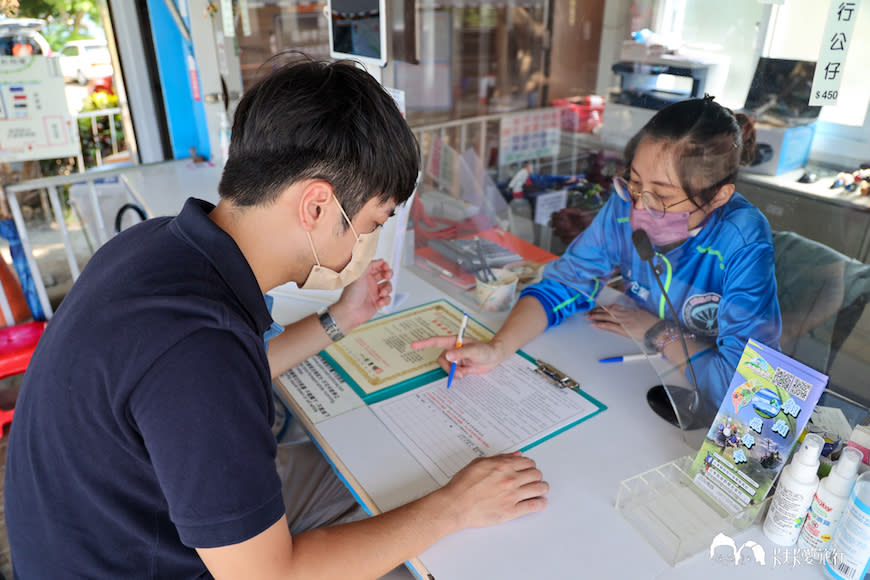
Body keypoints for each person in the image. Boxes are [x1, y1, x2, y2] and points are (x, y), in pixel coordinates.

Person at [5, 56, 548, 579]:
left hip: (110, 530)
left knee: (390, 486)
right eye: (376, 219)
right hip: (156, 563)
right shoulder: (198, 347)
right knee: (440, 540)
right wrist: (453, 508)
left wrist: (340, 319)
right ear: (316, 207)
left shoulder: (154, 246)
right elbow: (266, 576)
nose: (373, 238)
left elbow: (214, 382)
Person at [414, 96, 781, 413]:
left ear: (718, 196)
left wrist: (657, 331)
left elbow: (742, 386)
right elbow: (564, 284)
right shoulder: (624, 206)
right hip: (636, 376)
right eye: (635, 183)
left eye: (663, 197)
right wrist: (497, 348)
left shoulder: (742, 239)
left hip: (699, 411)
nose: (638, 207)